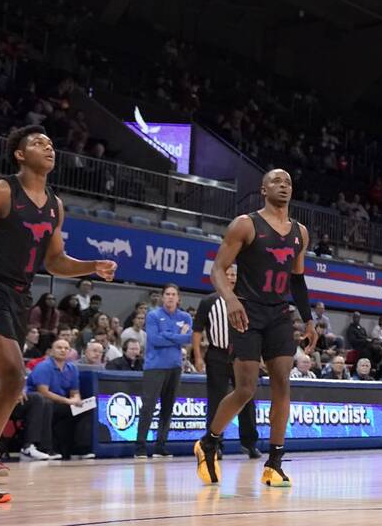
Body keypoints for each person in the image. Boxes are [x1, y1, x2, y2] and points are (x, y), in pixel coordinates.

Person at [0, 126, 116, 503]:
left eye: (51, 143)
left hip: (20, 298)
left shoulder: (55, 204)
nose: (48, 146)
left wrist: (91, 265)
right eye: (38, 143)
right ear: (20, 155)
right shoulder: (1, 191)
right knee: (12, 378)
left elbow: (54, 262)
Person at [195, 169, 316, 489]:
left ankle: (274, 463)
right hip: (246, 312)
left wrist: (309, 319)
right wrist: (231, 300)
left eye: (289, 182)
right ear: (263, 189)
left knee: (282, 385)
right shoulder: (245, 224)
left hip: (279, 314)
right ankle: (209, 442)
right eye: (277, 181)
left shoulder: (300, 233)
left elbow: (298, 279)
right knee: (246, 388)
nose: (284, 186)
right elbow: (218, 270)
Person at [191, 264, 259, 459]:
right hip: (218, 355)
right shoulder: (209, 301)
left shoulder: (247, 300)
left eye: (233, 274)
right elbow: (197, 331)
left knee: (247, 398)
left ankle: (249, 443)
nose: (230, 278)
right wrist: (197, 356)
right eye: (227, 274)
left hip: (242, 353)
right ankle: (215, 444)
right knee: (216, 400)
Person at [135, 283, 191, 458]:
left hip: (175, 367)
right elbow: (155, 340)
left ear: (178, 297)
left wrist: (167, 334)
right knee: (148, 407)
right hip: (155, 367)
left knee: (168, 408)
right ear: (162, 296)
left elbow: (189, 338)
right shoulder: (153, 315)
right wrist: (177, 336)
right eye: (167, 294)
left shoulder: (186, 316)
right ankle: (140, 446)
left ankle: (160, 445)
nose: (170, 297)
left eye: (174, 294)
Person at [23, 338, 93, 460]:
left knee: (88, 407)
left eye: (66, 348)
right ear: (51, 351)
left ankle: (80, 449)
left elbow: (75, 392)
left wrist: (77, 400)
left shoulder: (72, 368)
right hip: (42, 403)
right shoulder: (44, 367)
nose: (63, 350)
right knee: (48, 403)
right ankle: (46, 448)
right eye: (59, 348)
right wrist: (68, 401)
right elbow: (43, 392)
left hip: (62, 403)